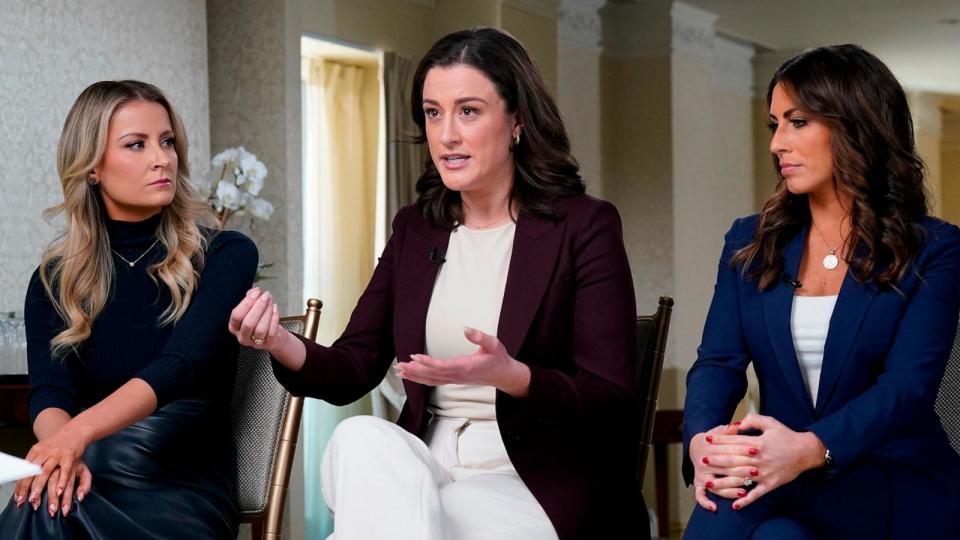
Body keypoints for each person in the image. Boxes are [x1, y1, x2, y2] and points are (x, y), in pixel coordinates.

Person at [229, 27, 648, 540]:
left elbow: (613, 403)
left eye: (468, 111)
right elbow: (355, 364)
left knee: (391, 525)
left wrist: (514, 376)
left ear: (517, 120)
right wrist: (276, 340)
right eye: (433, 113)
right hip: (426, 464)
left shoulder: (584, 227)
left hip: (535, 482)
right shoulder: (416, 228)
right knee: (359, 437)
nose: (446, 134)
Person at [681, 44, 960, 539]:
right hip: (777, 474)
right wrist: (702, 442)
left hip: (886, 474)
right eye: (775, 124)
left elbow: (908, 389)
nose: (777, 144)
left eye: (798, 121)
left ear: (856, 124)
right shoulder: (749, 240)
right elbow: (717, 363)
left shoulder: (934, 249)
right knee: (734, 508)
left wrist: (810, 448)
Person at [0, 80, 258, 538]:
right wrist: (63, 452)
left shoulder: (225, 254)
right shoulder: (53, 279)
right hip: (93, 467)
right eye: (136, 145)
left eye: (167, 142)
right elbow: (50, 393)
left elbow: (178, 366)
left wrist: (75, 437)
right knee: (46, 498)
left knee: (41, 510)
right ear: (92, 167)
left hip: (180, 483)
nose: (162, 159)